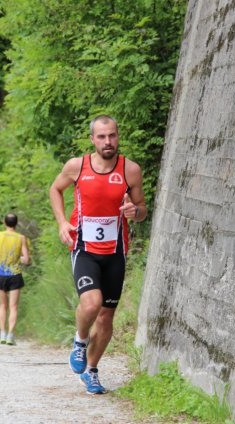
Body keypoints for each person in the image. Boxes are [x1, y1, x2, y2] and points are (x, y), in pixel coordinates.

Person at [49, 115, 147, 394]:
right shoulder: (77, 166)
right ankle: (80, 341)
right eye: (102, 137)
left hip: (115, 252)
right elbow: (55, 189)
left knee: (105, 318)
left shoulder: (130, 170)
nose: (108, 141)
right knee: (92, 303)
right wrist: (62, 222)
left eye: (112, 135)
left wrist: (135, 211)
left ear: (118, 137)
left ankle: (91, 370)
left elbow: (142, 209)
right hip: (84, 249)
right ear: (92, 139)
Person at [0, 213, 30, 345]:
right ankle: (10, 336)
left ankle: (2, 334)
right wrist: (18, 259)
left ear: (4, 223)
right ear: (16, 224)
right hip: (15, 275)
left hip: (0, 274)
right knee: (13, 307)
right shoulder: (21, 238)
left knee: (2, 305)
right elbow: (26, 260)